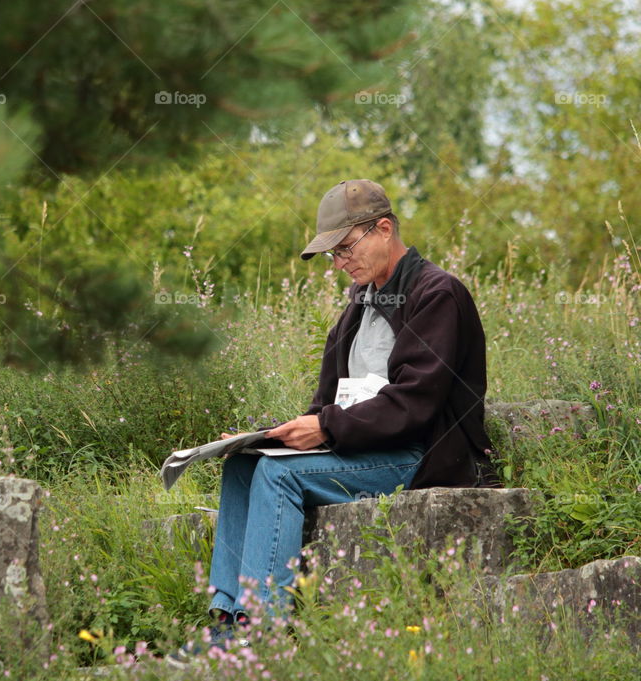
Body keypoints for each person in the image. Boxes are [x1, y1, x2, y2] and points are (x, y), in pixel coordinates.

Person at [167, 179, 498, 665]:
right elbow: (327, 402)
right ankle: (226, 621)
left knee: (280, 476)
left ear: (383, 229)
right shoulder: (357, 307)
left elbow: (415, 405)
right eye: (334, 255)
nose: (342, 263)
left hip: (423, 456)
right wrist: (269, 436)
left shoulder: (437, 294)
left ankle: (260, 634)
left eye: (346, 248)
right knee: (245, 465)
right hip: (366, 450)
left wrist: (324, 428)